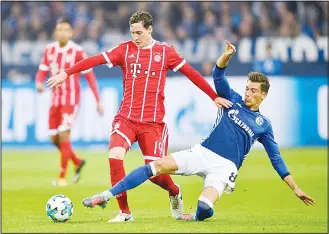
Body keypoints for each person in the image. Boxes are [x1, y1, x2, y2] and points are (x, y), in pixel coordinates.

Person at [80, 40, 315, 222]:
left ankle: (192, 217)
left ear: (263, 95)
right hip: (202, 152)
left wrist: (295, 187)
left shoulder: (264, 124)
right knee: (155, 166)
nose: (248, 93)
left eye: (253, 91)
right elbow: (218, 75)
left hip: (225, 168)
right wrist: (226, 56)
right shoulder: (232, 100)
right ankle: (106, 196)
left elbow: (276, 158)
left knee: (204, 208)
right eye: (247, 88)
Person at [46, 11, 232, 222]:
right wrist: (66, 73)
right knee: (115, 156)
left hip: (153, 124)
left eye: (139, 32)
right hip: (126, 118)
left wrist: (213, 97)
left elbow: (192, 73)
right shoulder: (124, 50)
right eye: (132, 32)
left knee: (154, 174)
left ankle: (174, 191)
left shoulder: (165, 52)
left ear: (150, 29)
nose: (136, 37)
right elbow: (95, 60)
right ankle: (125, 212)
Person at [35, 18, 104, 186]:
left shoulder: (78, 52)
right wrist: (38, 82)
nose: (62, 32)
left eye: (66, 30)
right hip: (55, 100)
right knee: (54, 138)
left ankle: (61, 177)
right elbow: (42, 70)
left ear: (71, 33)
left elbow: (90, 76)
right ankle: (77, 162)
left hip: (71, 101)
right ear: (55, 32)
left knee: (64, 134)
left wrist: (98, 100)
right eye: (59, 29)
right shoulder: (49, 50)